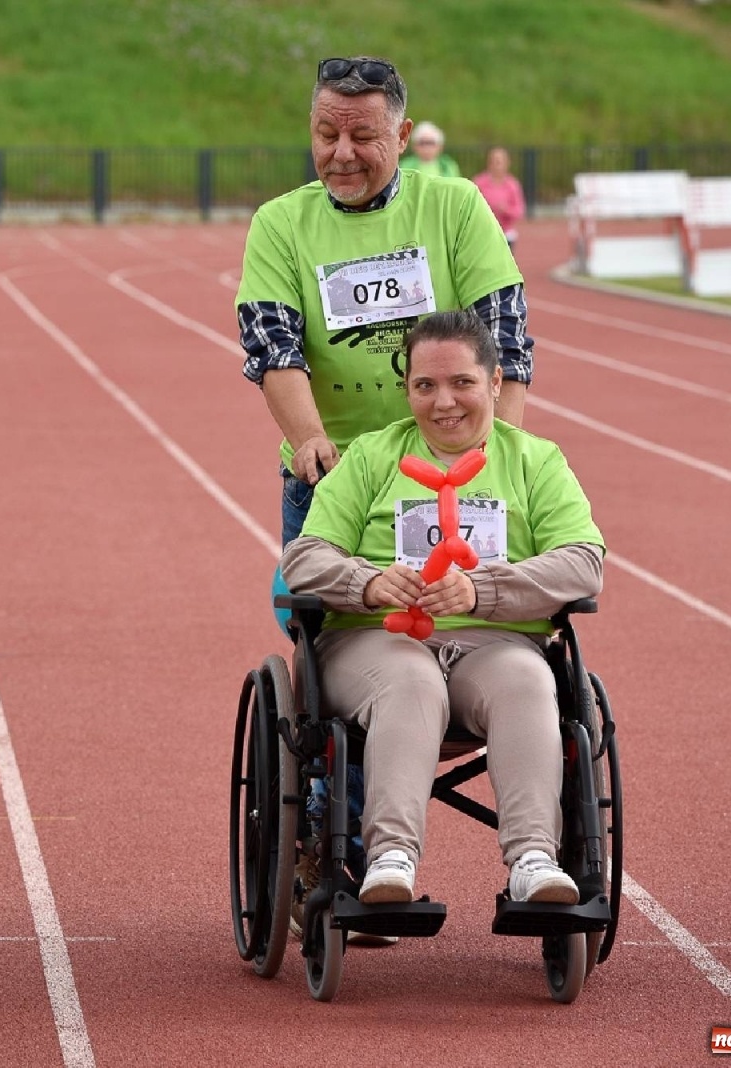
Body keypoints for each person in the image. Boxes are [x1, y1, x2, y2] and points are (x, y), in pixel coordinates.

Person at [237, 55, 534, 941]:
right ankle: (336, 847)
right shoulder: (282, 224)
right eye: (326, 133)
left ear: (402, 136)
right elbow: (273, 346)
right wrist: (308, 441)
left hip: (452, 471)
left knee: (489, 628)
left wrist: (501, 458)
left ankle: (534, 847)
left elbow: (506, 340)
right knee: (343, 659)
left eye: (363, 136)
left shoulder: (456, 209)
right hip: (338, 483)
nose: (341, 152)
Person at [280, 310, 604, 906]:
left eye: (462, 383)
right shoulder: (372, 457)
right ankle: (389, 859)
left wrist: (485, 591)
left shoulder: (535, 460)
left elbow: (583, 563)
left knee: (529, 679)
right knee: (412, 680)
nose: (443, 402)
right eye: (425, 385)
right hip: (376, 642)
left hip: (495, 642)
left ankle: (534, 859)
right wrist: (368, 582)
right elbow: (303, 558)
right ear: (406, 390)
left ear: (495, 382)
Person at [473, 146, 526, 249]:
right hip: (483, 233)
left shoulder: (512, 185)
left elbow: (519, 211)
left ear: (507, 163)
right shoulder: (479, 182)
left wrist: (505, 209)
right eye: (492, 161)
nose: (495, 165)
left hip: (505, 233)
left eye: (499, 162)